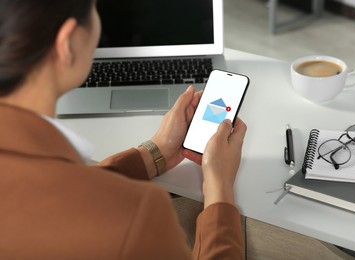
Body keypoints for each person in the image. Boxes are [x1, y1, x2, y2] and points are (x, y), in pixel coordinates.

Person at [0, 0, 247, 259]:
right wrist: (219, 184)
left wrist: (153, 153)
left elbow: (51, 201)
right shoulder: (137, 216)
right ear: (68, 42)